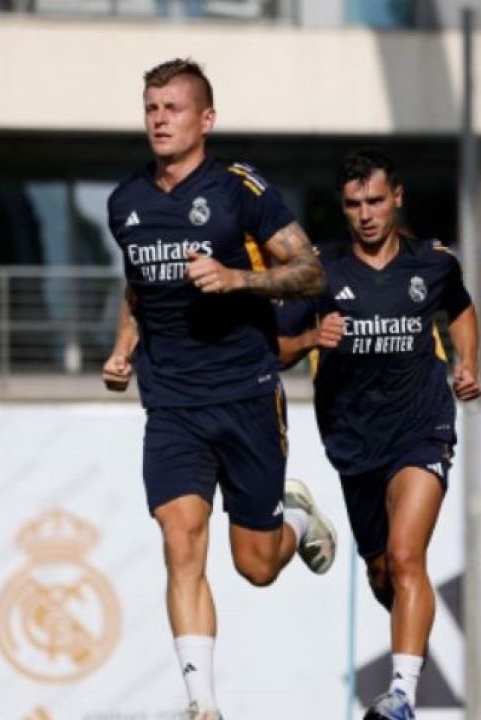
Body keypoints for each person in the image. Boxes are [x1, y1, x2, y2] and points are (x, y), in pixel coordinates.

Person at [102, 58, 337, 720]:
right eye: (151, 108)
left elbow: (310, 271)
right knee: (180, 541)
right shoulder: (125, 201)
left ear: (205, 119)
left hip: (246, 393)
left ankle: (296, 518)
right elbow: (137, 289)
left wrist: (239, 280)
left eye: (172, 108)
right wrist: (122, 350)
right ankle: (202, 704)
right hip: (172, 403)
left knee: (256, 567)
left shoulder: (240, 190)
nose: (159, 119)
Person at [276, 149, 481, 720]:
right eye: (353, 205)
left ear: (397, 198)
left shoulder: (434, 263)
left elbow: (461, 310)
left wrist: (468, 361)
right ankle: (406, 650)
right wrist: (311, 338)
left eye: (374, 201)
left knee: (407, 554)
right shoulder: (318, 271)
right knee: (384, 572)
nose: (365, 215)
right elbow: (275, 348)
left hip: (422, 428)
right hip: (354, 440)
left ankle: (401, 697)